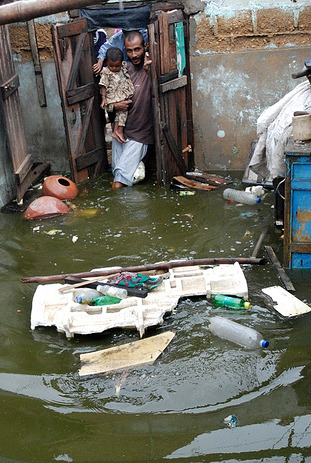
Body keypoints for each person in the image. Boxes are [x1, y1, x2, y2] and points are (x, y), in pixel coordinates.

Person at [249, 57, 311, 184]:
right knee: (281, 183)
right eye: (308, 75)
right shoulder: (303, 90)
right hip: (285, 150)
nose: (309, 78)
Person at [106, 31, 153, 189]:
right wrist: (115, 106)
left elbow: (160, 92)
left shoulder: (152, 68)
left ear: (145, 47)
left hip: (140, 136)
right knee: (117, 173)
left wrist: (149, 72)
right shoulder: (124, 70)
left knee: (119, 180)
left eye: (137, 49)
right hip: (121, 132)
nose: (134, 54)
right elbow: (109, 99)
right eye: (129, 51)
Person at [99, 47, 135, 143]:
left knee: (122, 112)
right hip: (113, 96)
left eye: (117, 66)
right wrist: (103, 98)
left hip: (121, 94)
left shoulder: (123, 68)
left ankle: (117, 130)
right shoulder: (106, 72)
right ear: (107, 63)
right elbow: (103, 85)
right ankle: (118, 130)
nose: (114, 68)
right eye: (112, 66)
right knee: (120, 112)